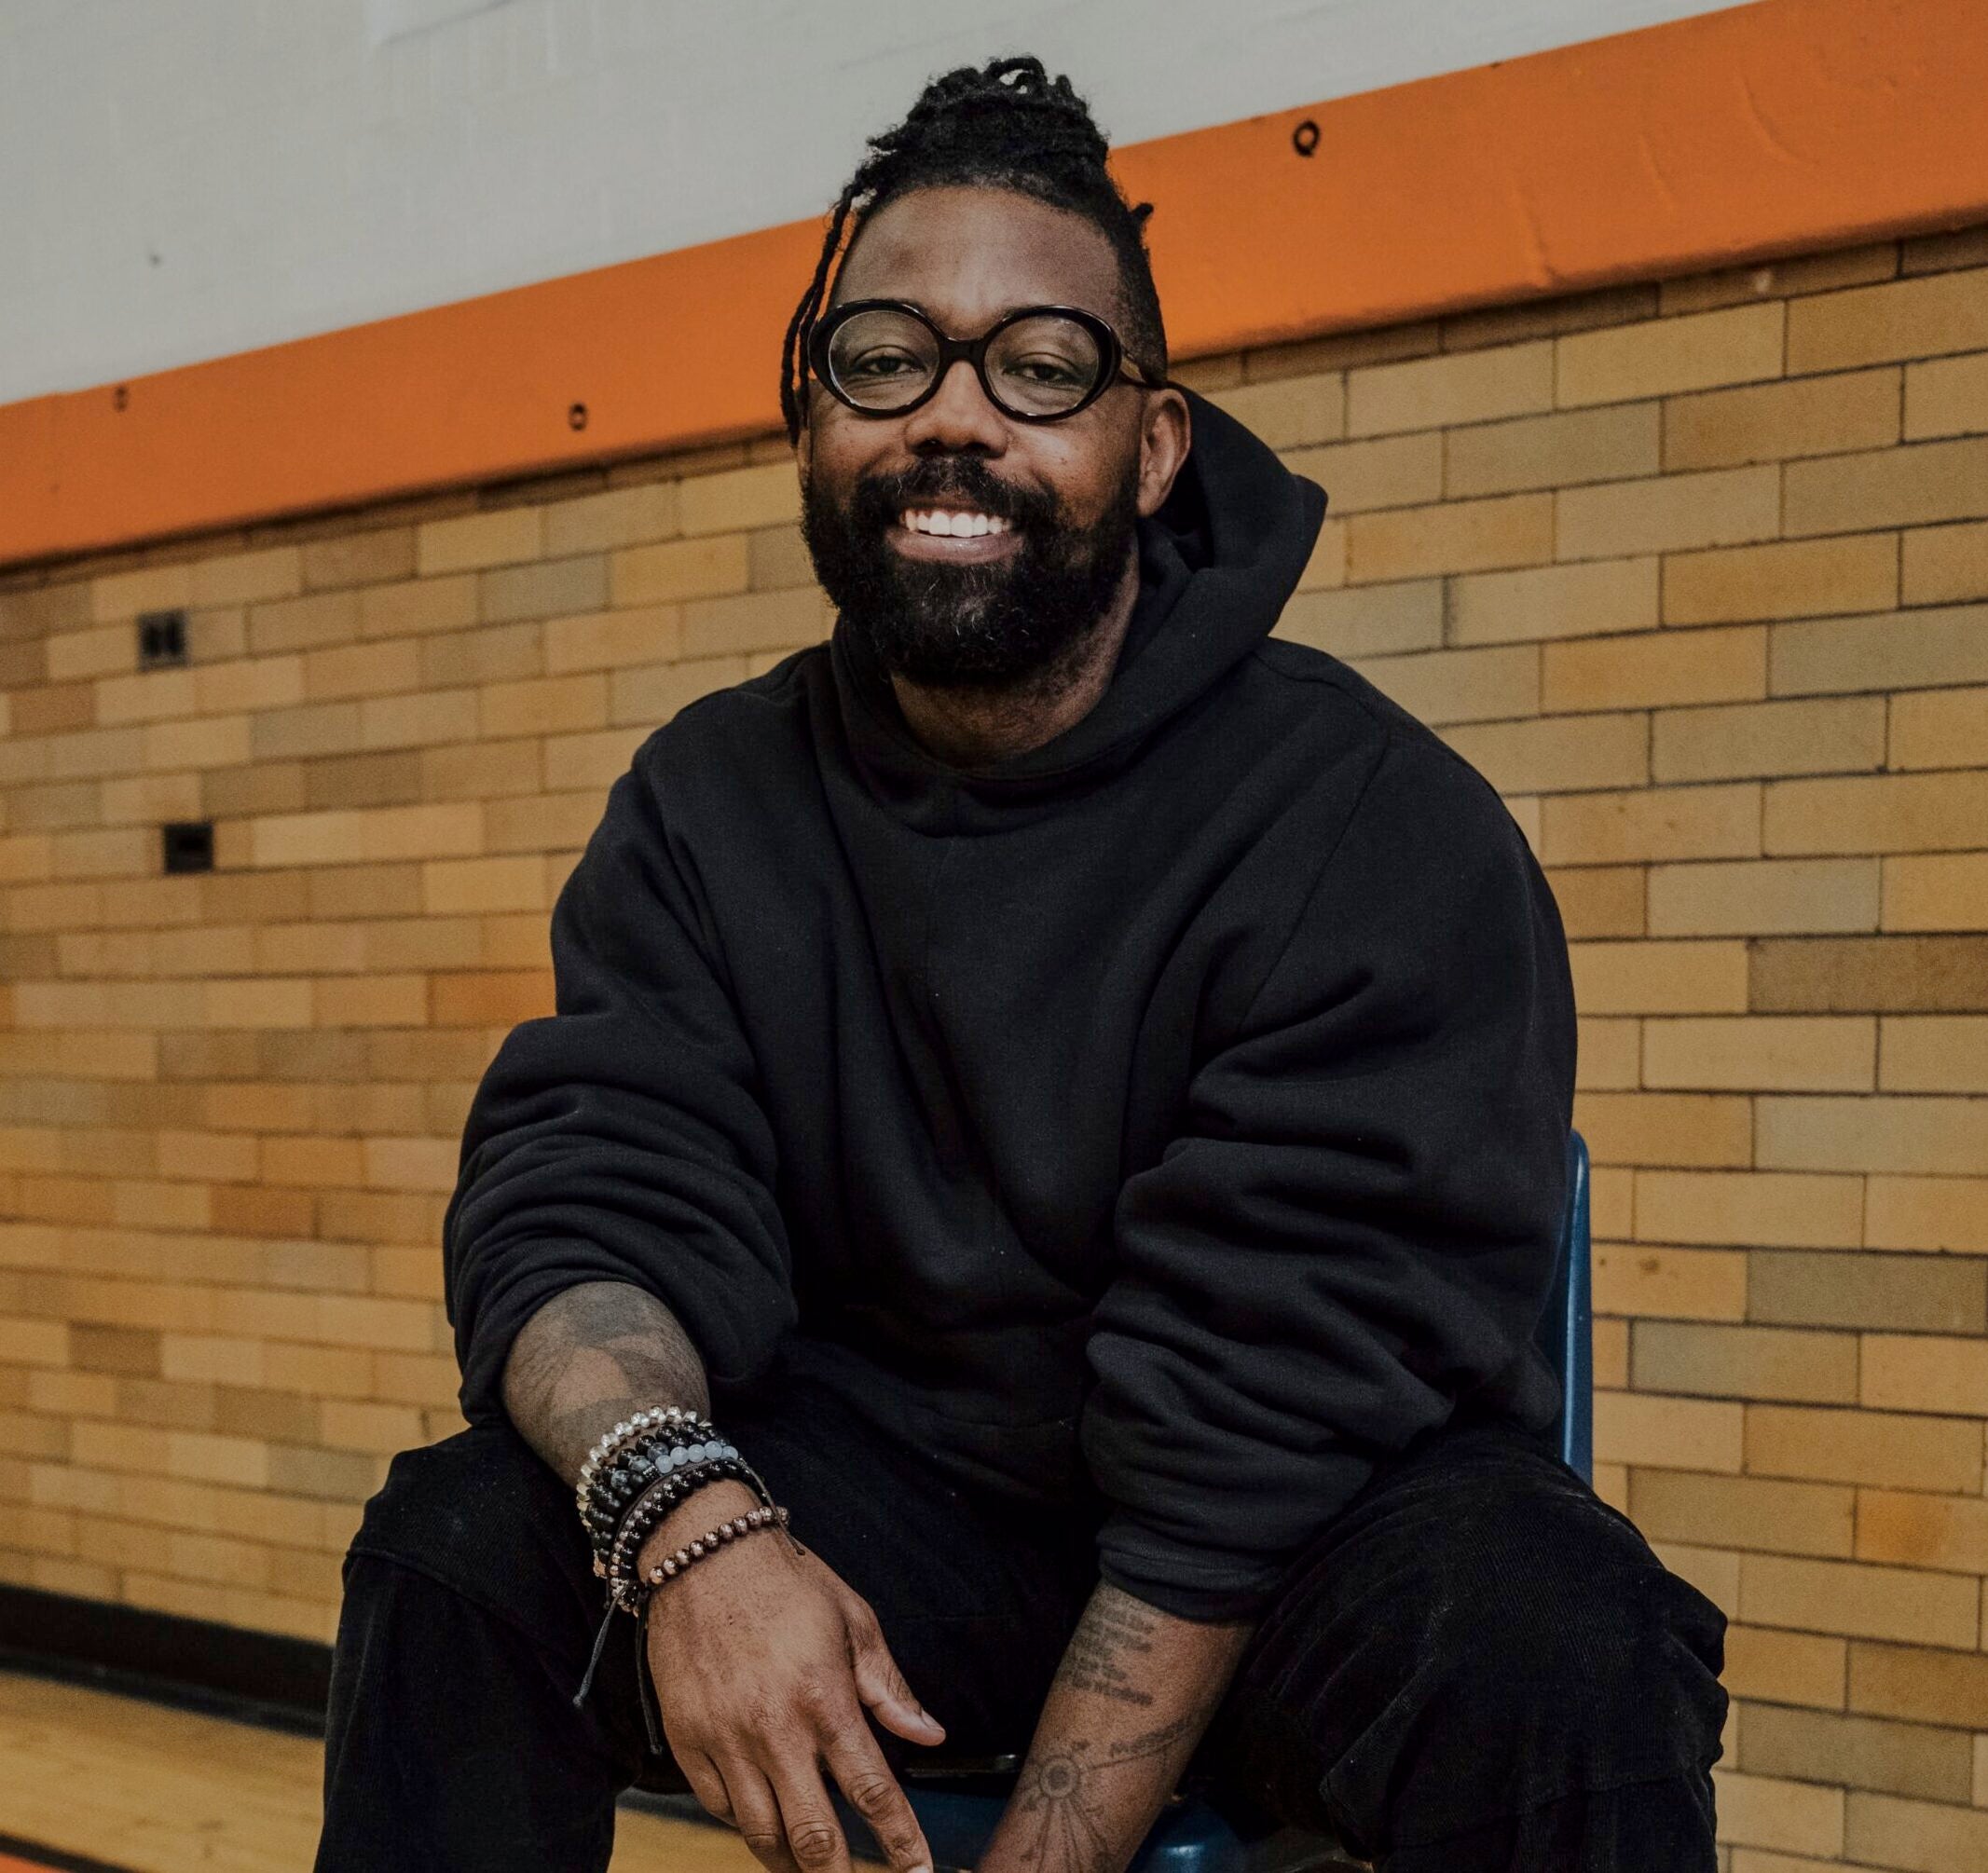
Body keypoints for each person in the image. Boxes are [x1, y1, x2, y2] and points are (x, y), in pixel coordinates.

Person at [315, 56, 1727, 1873]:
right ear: (808, 417)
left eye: (1040, 366)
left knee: (1559, 1636)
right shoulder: (706, 803)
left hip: (1302, 1544)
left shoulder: (1371, 824)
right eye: (883, 357)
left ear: (1150, 445)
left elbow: (1254, 1423)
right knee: (457, 1548)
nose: (949, 420)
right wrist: (691, 1525)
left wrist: (1048, 1853)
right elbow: (590, 1208)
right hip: (882, 1511)